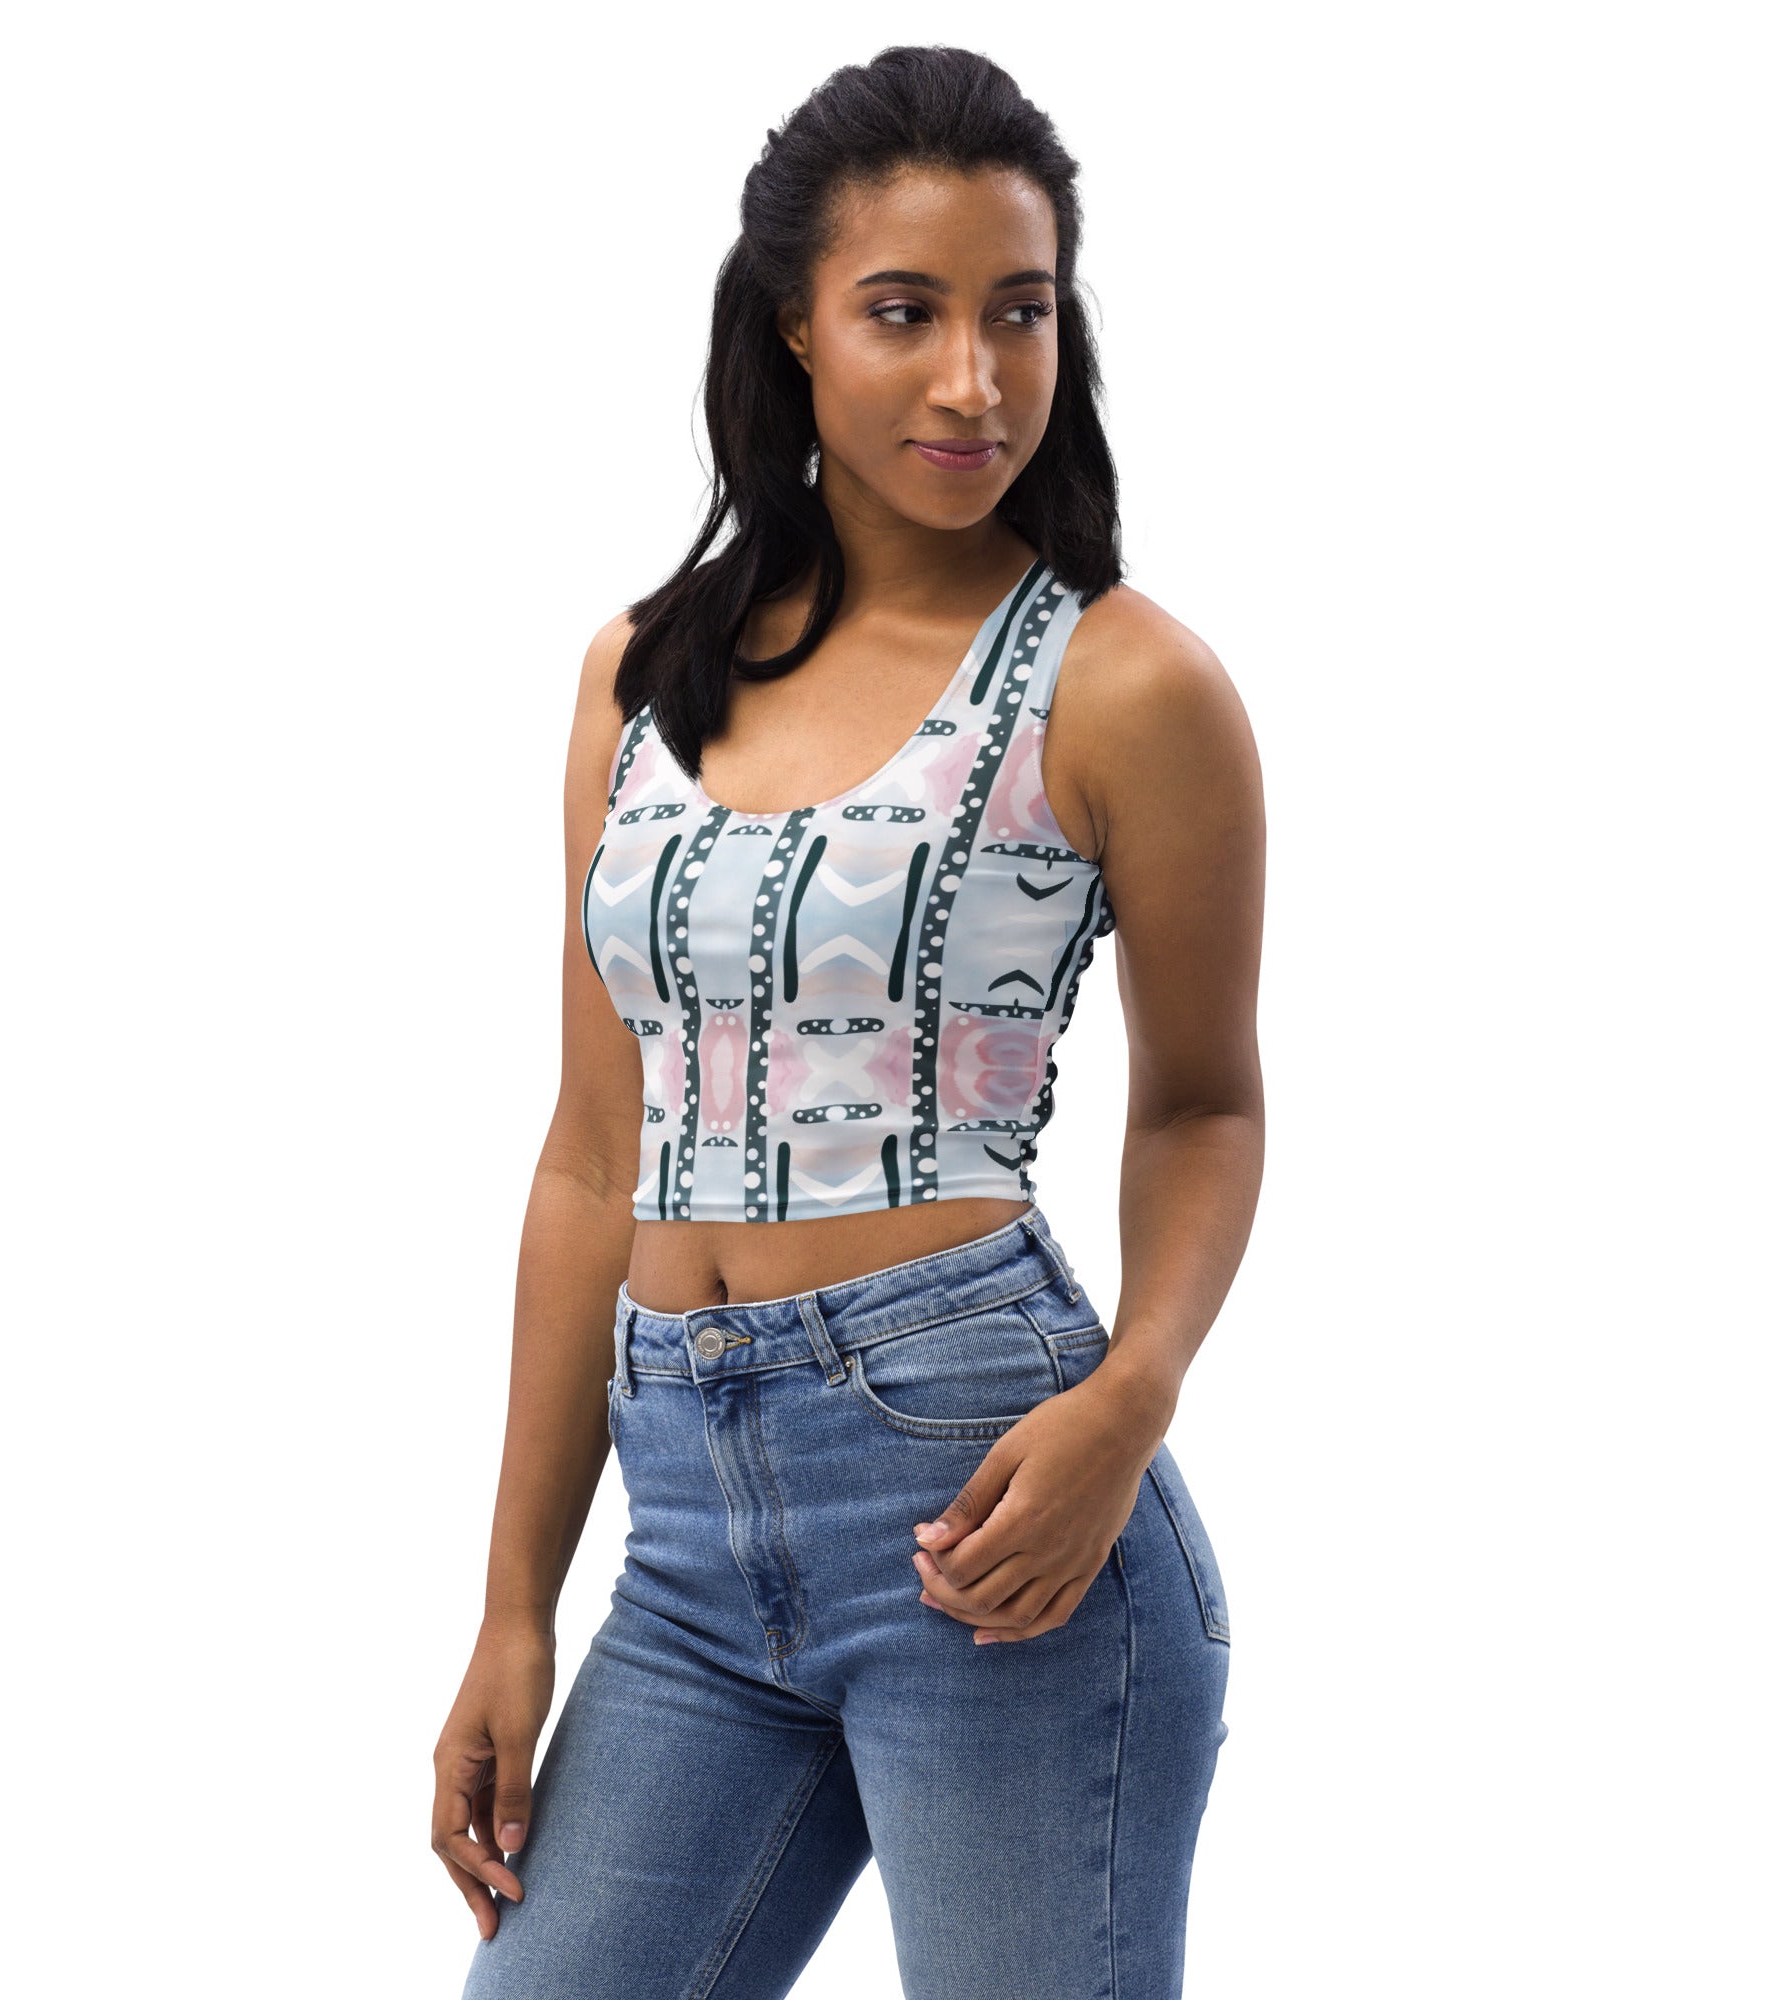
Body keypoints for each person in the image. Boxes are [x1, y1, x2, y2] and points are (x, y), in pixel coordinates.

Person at [433, 44, 1265, 2000]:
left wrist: (1130, 1401)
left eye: (1019, 313)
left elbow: (1204, 1105)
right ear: (794, 328)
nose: (974, 380)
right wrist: (512, 1605)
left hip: (991, 1503)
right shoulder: (643, 676)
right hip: (687, 1544)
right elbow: (590, 1156)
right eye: (905, 313)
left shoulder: (1126, 686)